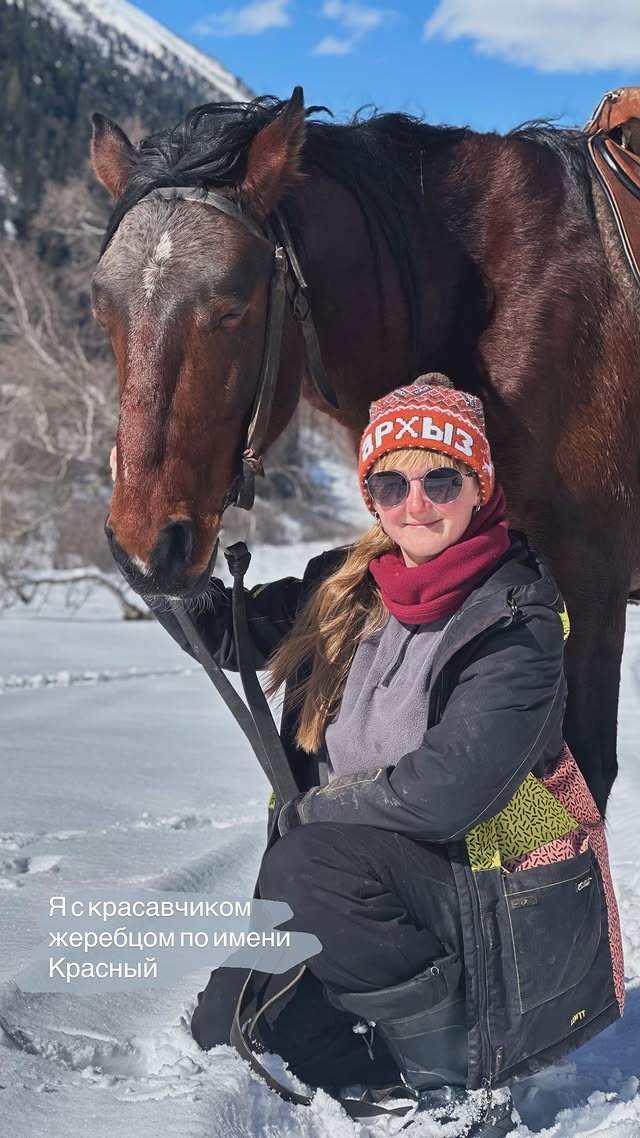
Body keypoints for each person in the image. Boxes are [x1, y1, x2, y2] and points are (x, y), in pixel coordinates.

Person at [142, 375, 624, 1135]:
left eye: (441, 478)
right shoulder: (347, 584)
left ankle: (458, 1083)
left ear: (479, 486)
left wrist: (317, 810)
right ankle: (371, 1062)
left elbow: (450, 791)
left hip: (489, 896)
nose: (416, 503)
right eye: (391, 483)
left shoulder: (517, 614)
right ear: (371, 496)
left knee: (312, 861)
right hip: (367, 888)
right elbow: (230, 634)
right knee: (228, 1027)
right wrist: (154, 555)